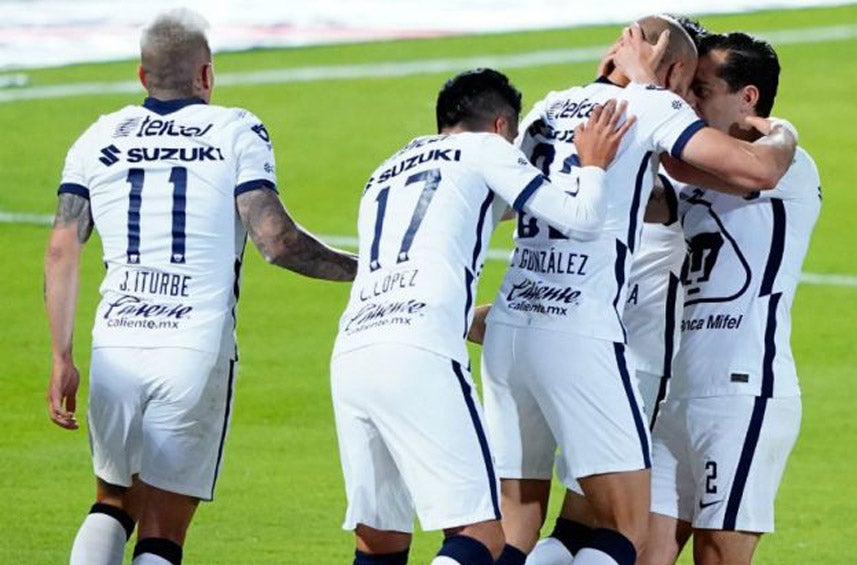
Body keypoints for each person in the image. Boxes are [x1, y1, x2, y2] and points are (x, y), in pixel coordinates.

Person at [481, 15, 798, 565]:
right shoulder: (656, 112)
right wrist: (783, 130)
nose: (691, 101)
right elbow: (756, 170)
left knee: (527, 526)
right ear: (673, 71)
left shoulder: (550, 107)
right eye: (690, 85)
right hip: (599, 341)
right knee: (625, 531)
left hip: (518, 329)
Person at [44, 9, 357, 565]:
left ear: (143, 77)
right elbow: (276, 241)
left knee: (112, 501)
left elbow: (62, 248)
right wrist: (362, 270)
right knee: (163, 531)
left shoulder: (96, 136)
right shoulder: (236, 128)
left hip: (115, 340)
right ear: (206, 76)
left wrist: (61, 356)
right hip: (192, 347)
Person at [329, 68, 634, 565]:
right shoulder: (487, 150)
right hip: (420, 351)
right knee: (481, 537)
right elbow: (580, 217)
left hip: (353, 353)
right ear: (499, 126)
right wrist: (595, 164)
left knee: (380, 540)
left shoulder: (387, 169)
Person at [640, 31, 822, 565]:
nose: (690, 102)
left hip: (743, 392)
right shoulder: (696, 178)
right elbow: (643, 194)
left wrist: (784, 131)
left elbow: (705, 165)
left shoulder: (789, 166)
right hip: (676, 395)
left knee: (718, 556)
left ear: (747, 97)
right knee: (637, 552)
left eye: (702, 88)